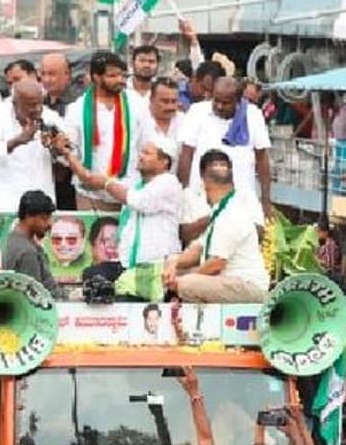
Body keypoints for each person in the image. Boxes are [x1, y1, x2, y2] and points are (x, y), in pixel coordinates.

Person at [163, 149, 269, 303]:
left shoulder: (231, 213)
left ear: (205, 185)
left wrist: (183, 280)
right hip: (227, 281)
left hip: (246, 285)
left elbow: (216, 264)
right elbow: (198, 249)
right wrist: (173, 263)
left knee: (186, 283)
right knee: (173, 269)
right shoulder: (219, 210)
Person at [64, 135, 182, 269]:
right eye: (141, 152)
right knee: (94, 275)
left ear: (164, 162)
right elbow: (89, 179)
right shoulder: (136, 185)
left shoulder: (168, 182)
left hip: (158, 263)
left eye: (147, 153)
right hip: (130, 263)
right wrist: (67, 154)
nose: (140, 156)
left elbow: (140, 202)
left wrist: (106, 183)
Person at [177, 77, 272, 225]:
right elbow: (186, 154)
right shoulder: (197, 112)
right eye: (216, 100)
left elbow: (262, 158)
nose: (220, 106)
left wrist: (266, 200)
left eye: (226, 103)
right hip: (201, 197)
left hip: (240, 199)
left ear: (239, 100)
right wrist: (183, 192)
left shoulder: (253, 115)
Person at [63, 51, 147, 211]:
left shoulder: (136, 103)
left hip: (128, 191)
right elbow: (69, 150)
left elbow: (145, 143)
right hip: (90, 194)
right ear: (96, 77)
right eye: (113, 76)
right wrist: (82, 173)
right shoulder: (77, 109)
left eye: (123, 76)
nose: (120, 80)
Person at [0, 79, 63, 214]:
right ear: (15, 103)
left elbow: (68, 157)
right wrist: (17, 141)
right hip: (5, 204)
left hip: (41, 205)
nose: (38, 109)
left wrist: (57, 149)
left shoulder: (50, 118)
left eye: (40, 103)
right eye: (31, 105)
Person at [1, 190, 58, 292]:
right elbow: (35, 296)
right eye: (44, 218)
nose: (50, 224)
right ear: (28, 216)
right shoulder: (28, 252)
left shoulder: (12, 240)